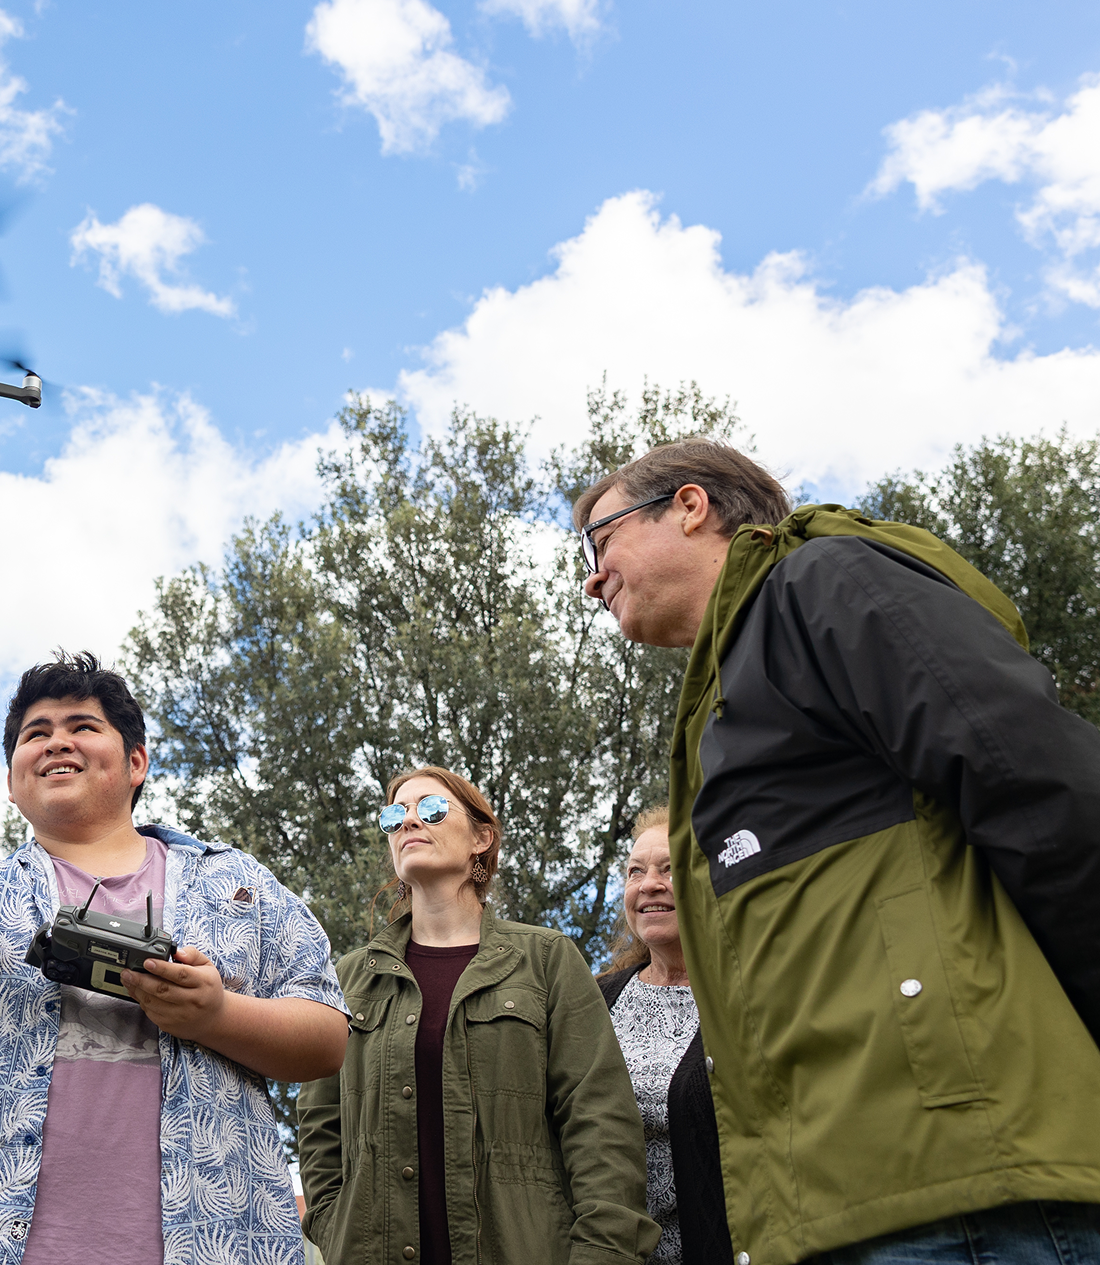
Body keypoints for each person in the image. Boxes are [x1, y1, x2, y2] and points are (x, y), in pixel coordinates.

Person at [576, 438, 1100, 1264]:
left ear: (688, 505)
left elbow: (1037, 786)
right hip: (835, 1204)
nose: (590, 577)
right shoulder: (722, 700)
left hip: (964, 1192)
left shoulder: (822, 584)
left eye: (599, 540)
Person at [0, 651, 349, 1265]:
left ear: (136, 762)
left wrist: (215, 1016)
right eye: (35, 733)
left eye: (82, 726)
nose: (56, 742)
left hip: (221, 1241)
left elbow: (327, 1037)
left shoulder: (240, 886)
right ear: (11, 780)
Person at [298, 766, 659, 1265]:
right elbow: (320, 1126)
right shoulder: (349, 978)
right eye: (394, 816)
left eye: (430, 809)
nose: (407, 824)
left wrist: (601, 1254)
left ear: (481, 838)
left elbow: (599, 1122)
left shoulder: (547, 960)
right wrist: (334, 1222)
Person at [595, 806, 731, 1265]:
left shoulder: (749, 998)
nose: (649, 884)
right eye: (636, 872)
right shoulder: (595, 1001)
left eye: (671, 870)